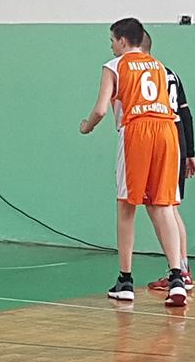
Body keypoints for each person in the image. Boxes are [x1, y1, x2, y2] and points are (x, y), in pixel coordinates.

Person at [79, 17, 187, 307]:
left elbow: (101, 110)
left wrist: (87, 126)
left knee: (127, 205)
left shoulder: (114, 66)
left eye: (112, 41)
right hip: (167, 132)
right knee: (162, 205)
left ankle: (125, 280)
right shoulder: (159, 66)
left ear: (123, 41)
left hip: (137, 131)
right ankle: (177, 278)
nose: (112, 46)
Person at [141, 32, 195, 291]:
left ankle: (179, 271)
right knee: (168, 206)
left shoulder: (146, 73)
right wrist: (190, 151)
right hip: (176, 138)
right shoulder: (170, 72)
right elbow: (186, 113)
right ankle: (181, 270)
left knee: (163, 206)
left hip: (161, 138)